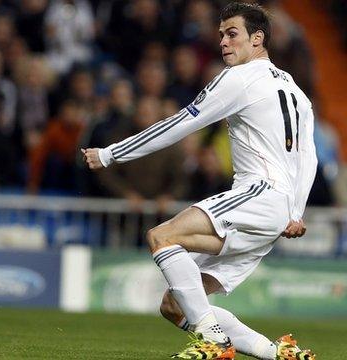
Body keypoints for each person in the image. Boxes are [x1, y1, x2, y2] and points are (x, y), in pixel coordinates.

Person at [83, 3, 316, 359]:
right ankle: (279, 353)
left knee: (162, 236)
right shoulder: (296, 92)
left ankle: (214, 341)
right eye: (221, 34)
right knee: (176, 304)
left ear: (258, 39)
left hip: (258, 195)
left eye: (232, 34)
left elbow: (179, 124)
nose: (223, 41)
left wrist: (110, 154)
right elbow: (307, 157)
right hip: (275, 213)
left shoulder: (240, 77)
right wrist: (295, 211)